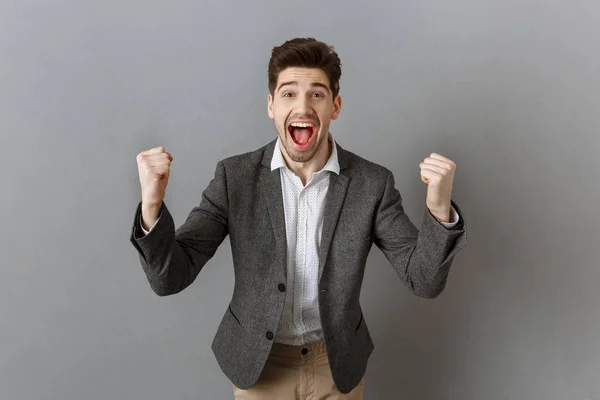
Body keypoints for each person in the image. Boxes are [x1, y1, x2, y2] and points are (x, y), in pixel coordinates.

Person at [130, 37, 468, 399]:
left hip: (335, 363)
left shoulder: (372, 184)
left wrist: (438, 207)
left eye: (317, 94)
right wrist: (151, 204)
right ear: (271, 105)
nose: (303, 107)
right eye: (289, 94)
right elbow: (170, 278)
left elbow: (424, 280)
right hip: (259, 366)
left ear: (335, 106)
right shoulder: (235, 178)